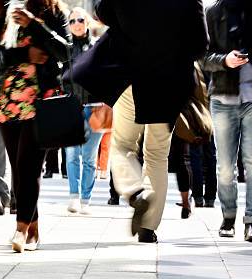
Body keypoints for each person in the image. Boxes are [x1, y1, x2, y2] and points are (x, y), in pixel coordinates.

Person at [73, 0, 208, 243]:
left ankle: (135, 191)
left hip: (132, 77)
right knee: (157, 154)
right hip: (170, 84)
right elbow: (200, 45)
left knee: (122, 144)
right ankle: (148, 228)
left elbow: (103, 12)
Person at [0, 0, 69, 253]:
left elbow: (65, 51)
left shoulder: (53, 12)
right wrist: (24, 55)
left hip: (40, 100)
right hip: (7, 100)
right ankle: (33, 227)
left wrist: (35, 25)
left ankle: (21, 228)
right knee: (18, 165)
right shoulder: (1, 11)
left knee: (29, 164)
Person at [203, 0, 252, 243]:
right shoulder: (214, 12)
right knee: (225, 165)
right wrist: (224, 60)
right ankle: (228, 216)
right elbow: (201, 56)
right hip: (223, 98)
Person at [64, 7, 103, 215]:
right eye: (72, 21)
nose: (76, 24)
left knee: (89, 157)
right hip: (71, 108)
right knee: (71, 155)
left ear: (86, 22)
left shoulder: (97, 47)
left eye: (80, 19)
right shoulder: (65, 48)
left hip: (95, 108)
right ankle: (73, 197)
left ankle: (86, 199)